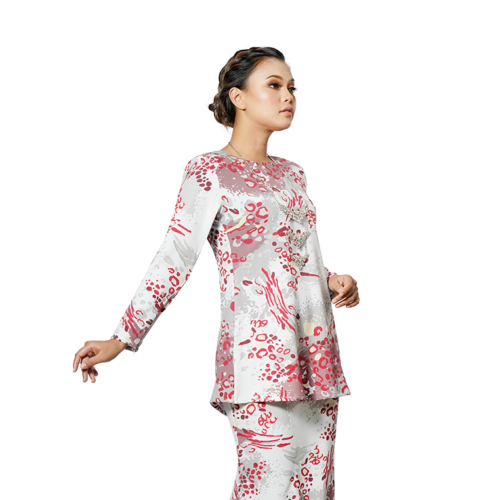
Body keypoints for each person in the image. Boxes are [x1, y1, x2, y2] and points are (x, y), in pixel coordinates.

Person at [73, 46, 360, 499]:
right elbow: (175, 256)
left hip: (316, 352)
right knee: (265, 489)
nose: (288, 96)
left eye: (291, 87)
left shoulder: (294, 174)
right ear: (237, 97)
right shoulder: (210, 171)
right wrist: (122, 338)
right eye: (274, 85)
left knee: (316, 492)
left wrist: (331, 279)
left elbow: (289, 253)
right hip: (259, 360)